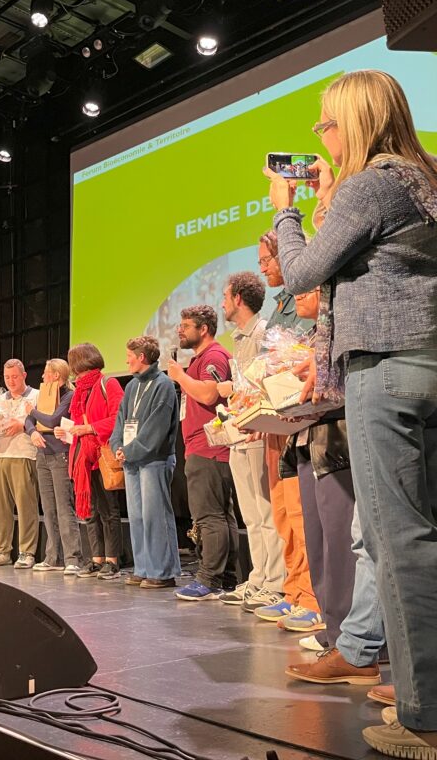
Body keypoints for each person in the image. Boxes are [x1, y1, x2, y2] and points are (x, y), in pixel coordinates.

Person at [265, 69, 437, 758]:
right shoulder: (422, 180)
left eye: (326, 123)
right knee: (419, 533)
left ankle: (425, 717)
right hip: (424, 362)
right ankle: (420, 685)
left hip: (386, 371)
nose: (320, 136)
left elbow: (302, 274)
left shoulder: (370, 184)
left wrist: (286, 209)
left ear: (355, 123)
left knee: (401, 543)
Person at [282, 288, 379, 686]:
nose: (296, 295)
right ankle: (338, 633)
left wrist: (318, 376)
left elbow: (345, 389)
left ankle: (354, 642)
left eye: (305, 289)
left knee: (345, 548)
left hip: (337, 444)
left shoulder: (347, 331)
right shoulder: (312, 338)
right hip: (309, 444)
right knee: (320, 546)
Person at [255, 232, 321, 632]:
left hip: (299, 413)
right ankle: (294, 591)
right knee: (282, 512)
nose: (262, 267)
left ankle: (314, 597)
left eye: (267, 260)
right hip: (273, 417)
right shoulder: (281, 303)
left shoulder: (309, 297)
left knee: (301, 510)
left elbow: (299, 352)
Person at [216, 273, 286, 611]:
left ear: (239, 298)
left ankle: (276, 582)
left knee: (266, 510)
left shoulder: (262, 333)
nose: (222, 303)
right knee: (251, 515)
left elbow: (268, 381)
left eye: (226, 296)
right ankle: (259, 577)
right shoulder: (239, 338)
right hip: (239, 434)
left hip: (258, 431)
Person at [167, 305, 238, 600]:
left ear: (203, 328)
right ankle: (226, 577)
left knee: (210, 516)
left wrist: (180, 376)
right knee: (221, 515)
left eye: (185, 325)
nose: (179, 330)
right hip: (206, 446)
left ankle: (209, 579)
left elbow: (210, 393)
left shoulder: (213, 356)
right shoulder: (204, 358)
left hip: (209, 446)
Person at [110, 335, 181, 589]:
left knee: (155, 515)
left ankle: (162, 572)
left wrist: (130, 450)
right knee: (138, 516)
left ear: (141, 357)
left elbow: (156, 428)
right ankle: (143, 567)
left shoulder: (163, 385)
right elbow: (121, 420)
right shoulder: (131, 387)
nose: (126, 360)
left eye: (129, 356)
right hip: (131, 460)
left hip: (154, 459)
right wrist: (118, 447)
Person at [61, 343, 124, 581]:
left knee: (109, 510)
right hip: (84, 458)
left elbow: (118, 417)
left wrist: (90, 428)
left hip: (103, 455)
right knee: (92, 511)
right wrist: (68, 432)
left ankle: (112, 560)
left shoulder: (108, 384)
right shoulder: (80, 391)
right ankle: (96, 559)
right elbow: (78, 423)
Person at [24, 359, 83, 574]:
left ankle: (72, 558)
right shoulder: (44, 396)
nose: (42, 377)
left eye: (46, 373)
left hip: (60, 455)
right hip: (43, 455)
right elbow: (28, 422)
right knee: (48, 508)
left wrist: (32, 411)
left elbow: (53, 420)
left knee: (64, 507)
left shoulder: (68, 395)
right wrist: (32, 432)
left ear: (56, 375)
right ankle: (52, 557)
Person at [0, 360, 40, 569]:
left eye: (15, 376)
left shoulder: (37, 396)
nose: (11, 381)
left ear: (24, 375)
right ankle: (2, 550)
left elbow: (44, 423)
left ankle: (27, 551)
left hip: (24, 455)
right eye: (7, 377)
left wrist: (23, 425)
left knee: (26, 506)